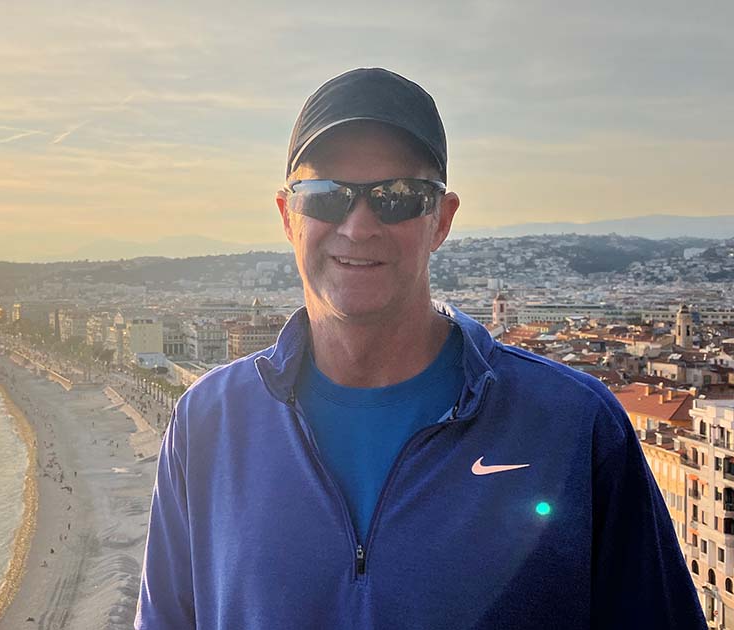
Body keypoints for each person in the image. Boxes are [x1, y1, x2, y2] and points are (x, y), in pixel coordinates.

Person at [134, 68, 703, 629]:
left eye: (397, 197)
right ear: (288, 216)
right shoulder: (207, 423)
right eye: (326, 197)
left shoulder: (574, 426)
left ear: (441, 220)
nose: (358, 226)